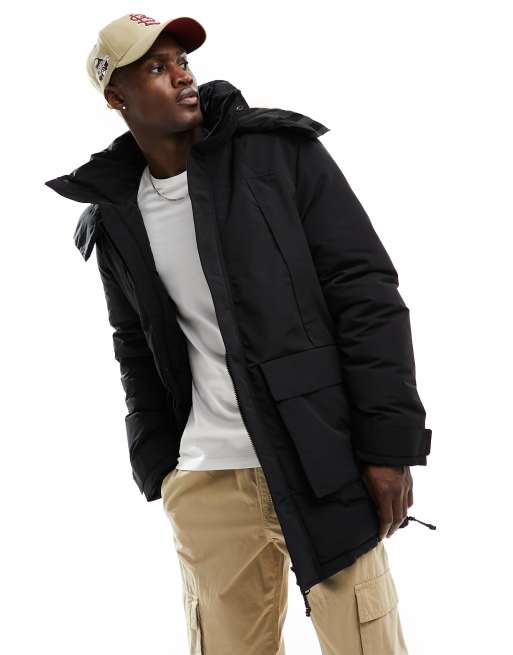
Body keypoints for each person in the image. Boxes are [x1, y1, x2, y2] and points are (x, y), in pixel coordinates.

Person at [45, 12, 436, 654]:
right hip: (206, 479)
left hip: (321, 462)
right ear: (116, 96)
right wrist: (161, 466)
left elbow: (366, 296)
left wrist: (388, 446)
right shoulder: (115, 217)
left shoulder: (276, 155)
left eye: (182, 62)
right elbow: (134, 345)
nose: (181, 77)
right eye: (156, 68)